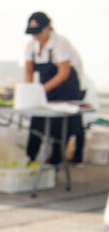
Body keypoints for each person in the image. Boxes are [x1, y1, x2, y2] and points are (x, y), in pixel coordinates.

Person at [23, 11, 86, 165]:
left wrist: (40, 91)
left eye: (38, 32)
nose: (36, 36)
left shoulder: (60, 43)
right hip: (47, 89)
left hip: (67, 90)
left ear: (48, 27)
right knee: (37, 120)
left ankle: (55, 162)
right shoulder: (31, 46)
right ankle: (30, 159)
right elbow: (28, 70)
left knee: (61, 125)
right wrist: (28, 91)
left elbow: (64, 73)